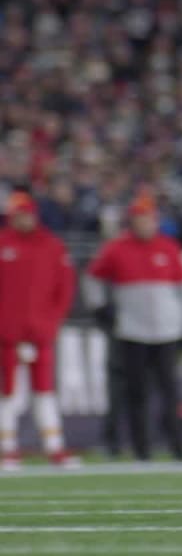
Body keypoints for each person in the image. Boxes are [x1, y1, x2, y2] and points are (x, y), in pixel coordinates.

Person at [85, 194, 182, 461]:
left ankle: (178, 445)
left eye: (149, 218)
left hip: (167, 331)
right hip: (133, 331)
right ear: (132, 221)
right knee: (137, 393)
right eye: (140, 219)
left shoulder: (169, 247)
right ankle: (141, 448)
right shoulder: (117, 248)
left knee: (170, 391)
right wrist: (100, 308)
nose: (145, 223)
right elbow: (91, 278)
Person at [0, 192, 77, 470]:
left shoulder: (52, 246)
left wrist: (51, 322)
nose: (24, 219)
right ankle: (8, 448)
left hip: (41, 333)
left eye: (27, 213)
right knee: (8, 393)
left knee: (44, 391)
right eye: (18, 214)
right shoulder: (3, 243)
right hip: (6, 336)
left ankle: (54, 447)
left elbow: (64, 289)